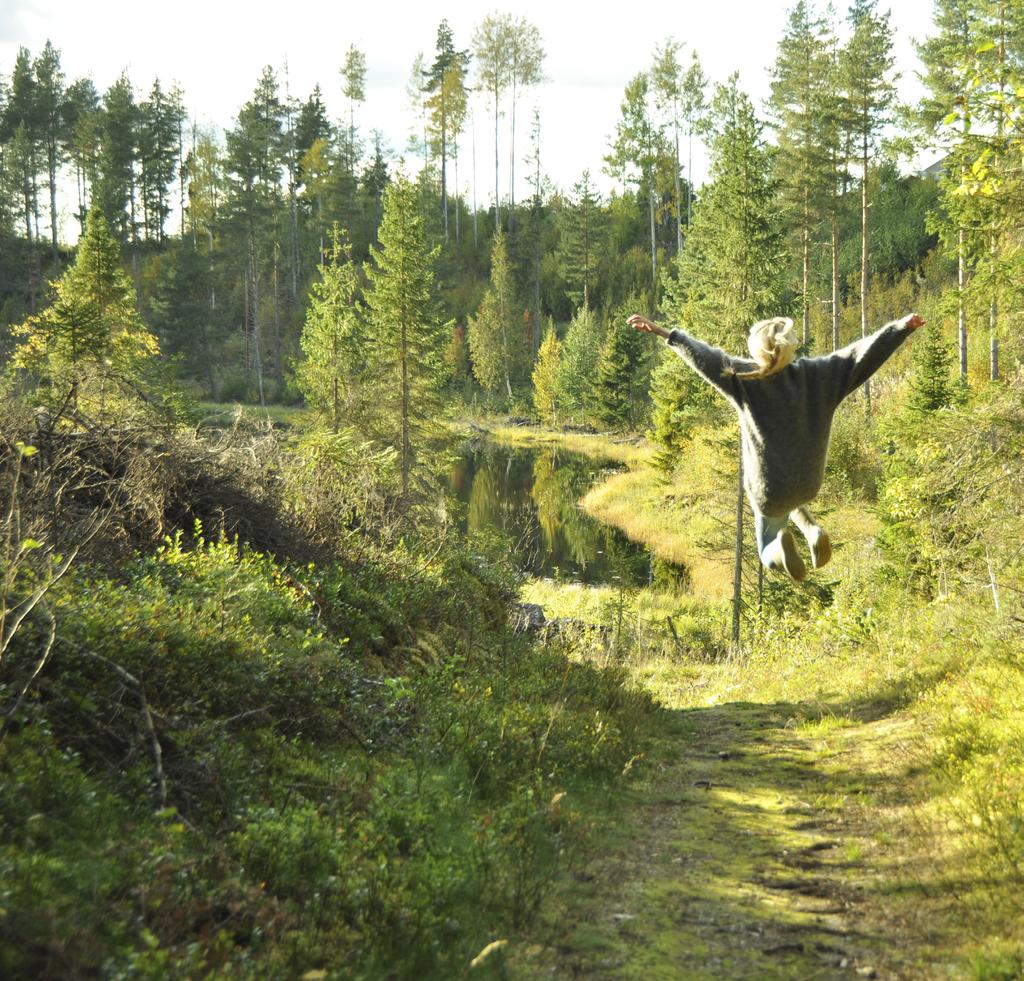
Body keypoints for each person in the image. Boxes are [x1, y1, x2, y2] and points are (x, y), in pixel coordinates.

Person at [628, 312, 926, 581]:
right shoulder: (819, 375)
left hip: (769, 490)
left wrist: (665, 333)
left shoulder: (744, 377)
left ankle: (778, 547)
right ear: (789, 347)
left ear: (757, 350)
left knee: (766, 548)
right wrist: (900, 329)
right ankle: (812, 531)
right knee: (793, 499)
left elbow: (704, 358)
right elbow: (861, 356)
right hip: (808, 482)